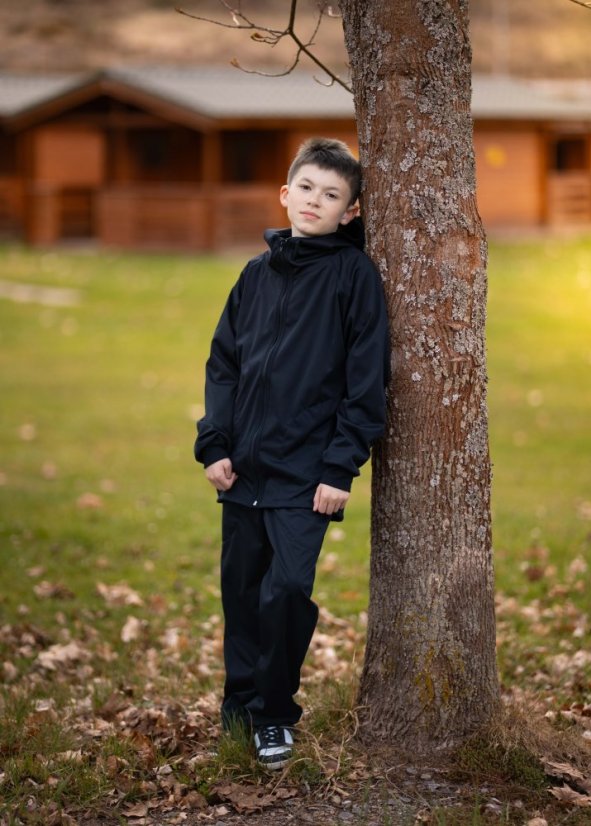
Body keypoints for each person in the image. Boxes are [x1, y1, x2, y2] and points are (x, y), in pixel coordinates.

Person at [194, 137, 389, 770]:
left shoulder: (353, 277)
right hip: (242, 469)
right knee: (242, 594)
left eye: (332, 195)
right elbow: (224, 364)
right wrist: (214, 444)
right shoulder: (255, 274)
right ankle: (239, 708)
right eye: (306, 188)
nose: (315, 201)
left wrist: (339, 467)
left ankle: (275, 715)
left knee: (284, 594)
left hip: (308, 477)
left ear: (350, 212)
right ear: (286, 193)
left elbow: (366, 380)